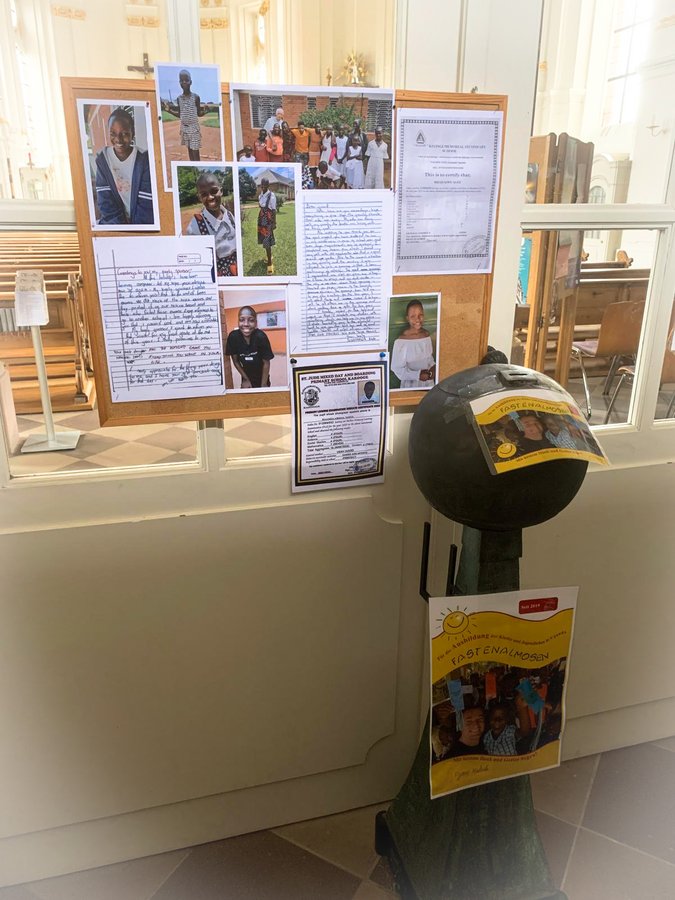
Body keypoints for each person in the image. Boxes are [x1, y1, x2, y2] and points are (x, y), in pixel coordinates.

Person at [95, 108, 154, 226]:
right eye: (113, 133)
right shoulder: (103, 160)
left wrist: (135, 230)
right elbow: (105, 203)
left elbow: (147, 203)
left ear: (133, 133)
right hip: (116, 224)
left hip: (141, 224)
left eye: (125, 133)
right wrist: (122, 229)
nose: (118, 139)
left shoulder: (144, 160)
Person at [185, 171, 237, 277]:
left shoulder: (229, 215)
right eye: (204, 194)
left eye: (214, 191)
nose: (210, 197)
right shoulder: (195, 228)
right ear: (199, 198)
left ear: (221, 191)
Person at [225, 306, 274, 389]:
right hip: (245, 375)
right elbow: (236, 361)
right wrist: (246, 379)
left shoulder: (261, 337)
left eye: (251, 320)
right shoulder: (233, 337)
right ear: (238, 321)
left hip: (262, 376)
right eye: (241, 320)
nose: (246, 324)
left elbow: (266, 363)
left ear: (256, 323)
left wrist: (263, 385)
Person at [391, 299, 436, 388]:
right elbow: (397, 368)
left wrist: (433, 367)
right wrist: (418, 375)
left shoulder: (426, 335)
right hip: (410, 385)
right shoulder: (401, 342)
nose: (417, 319)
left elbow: (429, 358)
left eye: (420, 315)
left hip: (428, 383)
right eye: (413, 316)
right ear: (407, 318)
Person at [163, 69, 204, 162]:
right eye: (182, 80)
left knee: (195, 152)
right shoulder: (179, 99)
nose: (184, 82)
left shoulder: (196, 97)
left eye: (186, 80)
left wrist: (206, 111)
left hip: (194, 128)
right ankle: (192, 166)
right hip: (184, 128)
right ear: (179, 83)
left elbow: (199, 113)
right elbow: (180, 114)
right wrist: (169, 111)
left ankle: (197, 167)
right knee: (189, 150)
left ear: (191, 82)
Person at [257, 177, 277, 275]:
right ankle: (269, 256)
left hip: (268, 221)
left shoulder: (271, 196)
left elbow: (274, 210)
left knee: (267, 241)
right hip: (261, 219)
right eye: (262, 185)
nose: (263, 187)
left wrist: (274, 223)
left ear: (268, 185)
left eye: (265, 185)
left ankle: (270, 263)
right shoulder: (260, 195)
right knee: (264, 240)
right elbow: (261, 206)